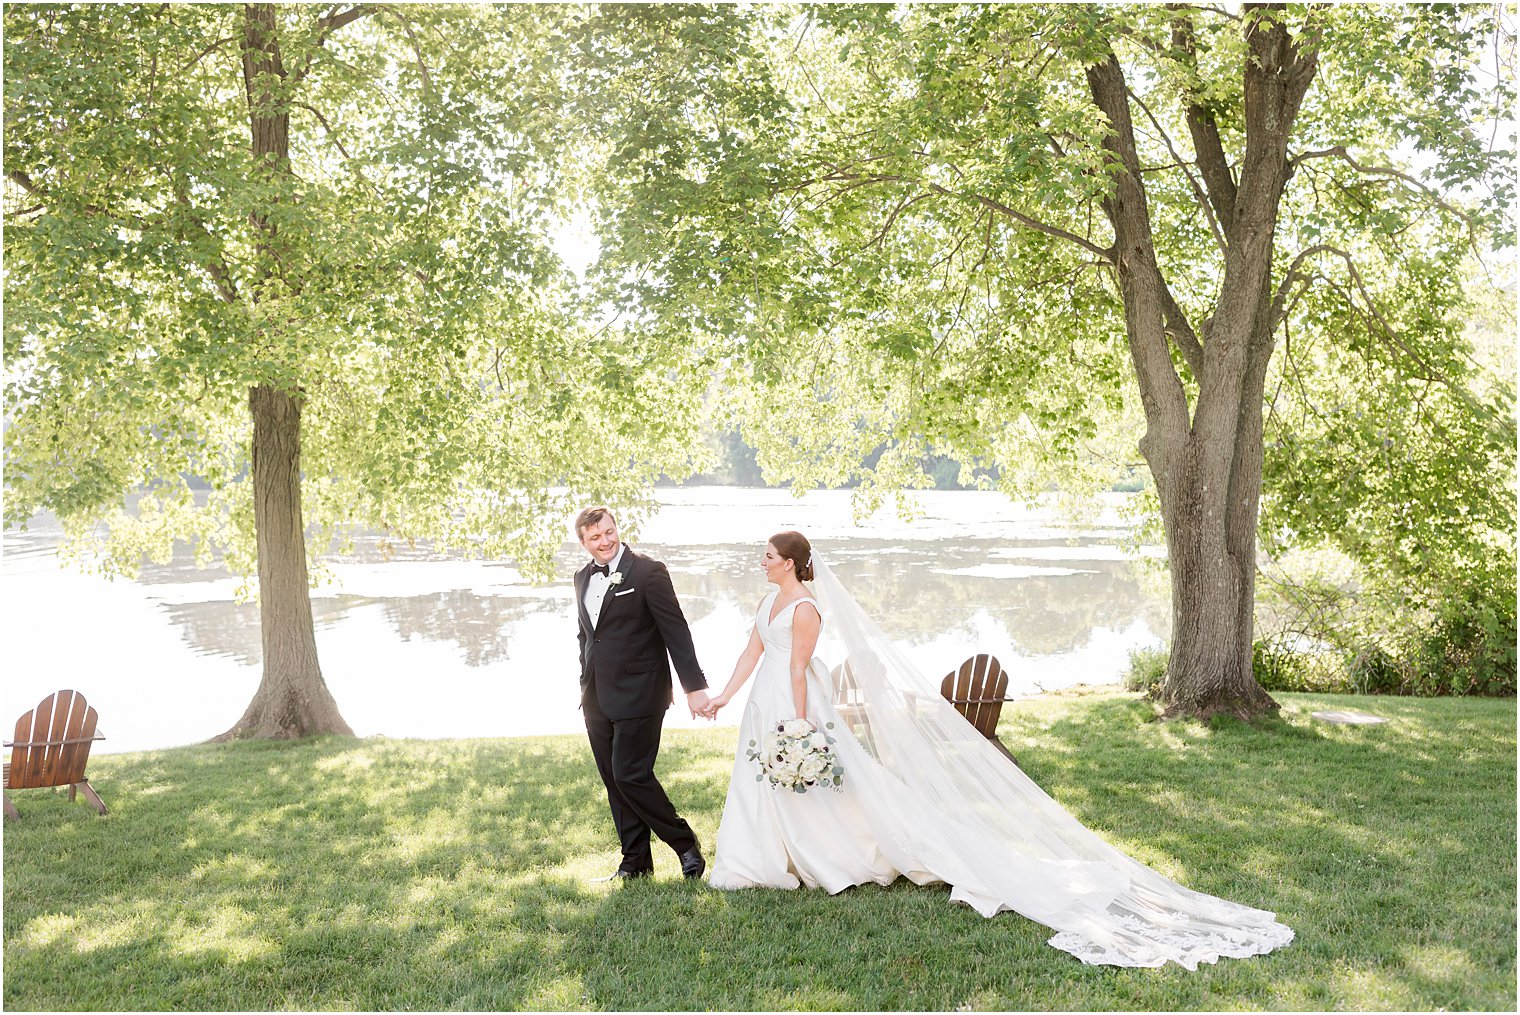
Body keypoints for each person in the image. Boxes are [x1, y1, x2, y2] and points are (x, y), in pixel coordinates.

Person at [700, 530, 1294, 969]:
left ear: (793, 563)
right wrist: (726, 697)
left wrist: (801, 727)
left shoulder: (805, 607)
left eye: (771, 557)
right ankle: (760, 857)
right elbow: (752, 654)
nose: (763, 562)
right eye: (764, 556)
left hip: (797, 703)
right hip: (762, 701)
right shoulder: (766, 603)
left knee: (824, 779)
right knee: (761, 782)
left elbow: (800, 669)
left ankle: (834, 855)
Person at [573, 506, 710, 881]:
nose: (605, 541)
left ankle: (685, 845)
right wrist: (584, 678)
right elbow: (587, 634)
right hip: (596, 696)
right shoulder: (581, 577)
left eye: (608, 532)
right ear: (584, 543)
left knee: (630, 773)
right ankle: (634, 862)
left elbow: (676, 631)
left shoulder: (649, 572)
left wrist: (694, 688)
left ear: (617, 529)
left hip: (642, 690)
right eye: (595, 537)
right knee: (613, 778)